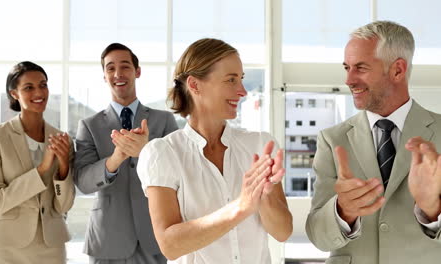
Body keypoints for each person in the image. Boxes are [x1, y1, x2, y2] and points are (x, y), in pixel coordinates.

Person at [137, 38, 293, 263]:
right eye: (231, 80)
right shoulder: (163, 153)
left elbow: (283, 232)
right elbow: (170, 245)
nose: (242, 92)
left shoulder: (259, 145)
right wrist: (240, 207)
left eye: (241, 80)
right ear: (195, 85)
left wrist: (265, 196)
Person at [306, 20, 441, 264]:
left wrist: (433, 208)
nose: (349, 79)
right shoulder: (332, 140)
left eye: (360, 67)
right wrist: (343, 212)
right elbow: (318, 237)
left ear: (398, 70)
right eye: (346, 67)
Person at [74, 43, 178, 264]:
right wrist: (116, 158)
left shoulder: (164, 120)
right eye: (110, 68)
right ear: (104, 75)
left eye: (125, 66)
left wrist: (147, 150)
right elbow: (83, 182)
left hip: (154, 236)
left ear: (137, 71)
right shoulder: (89, 125)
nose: (118, 74)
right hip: (107, 239)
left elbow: (179, 172)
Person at [0, 61, 75, 264]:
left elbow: (64, 205)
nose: (39, 92)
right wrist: (42, 169)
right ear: (14, 93)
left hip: (50, 247)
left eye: (43, 85)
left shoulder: (62, 139)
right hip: (4, 247)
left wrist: (63, 169)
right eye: (28, 88)